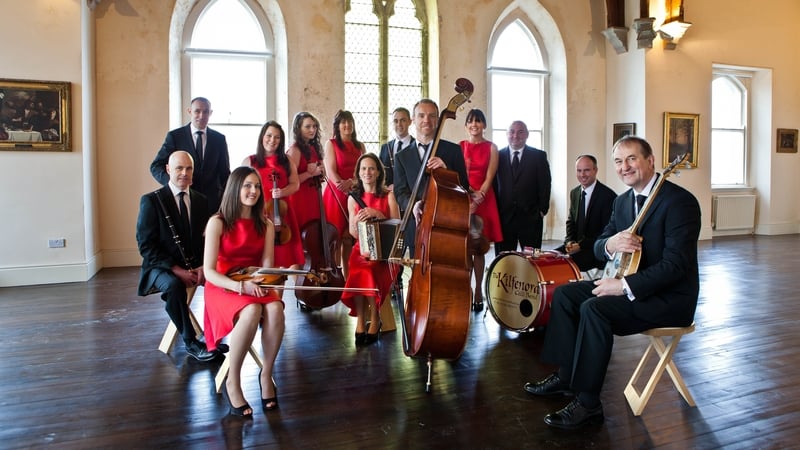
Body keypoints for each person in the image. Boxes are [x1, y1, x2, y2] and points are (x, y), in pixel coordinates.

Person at [523, 136, 701, 430]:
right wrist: (610, 244)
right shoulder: (622, 203)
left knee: (595, 309)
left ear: (650, 160)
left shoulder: (679, 202)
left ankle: (589, 403)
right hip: (630, 286)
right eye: (618, 161)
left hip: (668, 299)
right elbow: (596, 247)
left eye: (631, 159)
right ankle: (567, 377)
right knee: (567, 295)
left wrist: (623, 287)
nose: (624, 167)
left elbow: (676, 266)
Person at [203, 166, 285, 417]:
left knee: (275, 308)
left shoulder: (266, 224)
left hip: (253, 282)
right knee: (251, 311)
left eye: (257, 186)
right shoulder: (217, 222)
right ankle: (233, 381)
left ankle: (266, 374)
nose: (253, 191)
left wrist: (270, 278)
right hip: (223, 285)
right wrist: (240, 286)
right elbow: (209, 271)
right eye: (247, 185)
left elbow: (267, 266)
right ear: (235, 188)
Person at [136, 150, 216, 362]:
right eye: (179, 168)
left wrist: (203, 267)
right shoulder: (151, 201)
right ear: (168, 170)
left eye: (188, 168)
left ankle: (214, 336)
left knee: (221, 282)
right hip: (160, 267)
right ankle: (191, 342)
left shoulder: (201, 200)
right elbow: (146, 246)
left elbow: (205, 241)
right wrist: (177, 270)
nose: (184, 173)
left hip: (194, 266)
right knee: (173, 286)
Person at [393, 99, 469, 258]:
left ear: (438, 120)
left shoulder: (453, 151)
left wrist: (447, 171)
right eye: (421, 116)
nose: (426, 120)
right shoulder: (401, 157)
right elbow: (400, 193)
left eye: (431, 116)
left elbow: (465, 188)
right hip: (417, 227)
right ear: (413, 120)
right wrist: (413, 205)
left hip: (447, 224)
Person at [341, 153, 401, 346]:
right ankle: (360, 320)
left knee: (369, 269)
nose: (367, 172)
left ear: (378, 172)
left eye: (371, 168)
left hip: (384, 253)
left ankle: (375, 319)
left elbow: (398, 224)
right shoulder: (353, 199)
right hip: (362, 249)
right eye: (364, 169)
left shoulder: (388, 195)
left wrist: (378, 214)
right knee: (357, 268)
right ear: (358, 173)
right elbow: (353, 234)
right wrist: (357, 223)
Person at [151, 97, 231, 214]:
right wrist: (175, 183)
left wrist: (225, 200)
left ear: (210, 113)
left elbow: (225, 173)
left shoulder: (219, 139)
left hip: (212, 205)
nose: (202, 115)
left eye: (206, 111)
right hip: (183, 200)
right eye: (197, 111)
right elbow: (156, 166)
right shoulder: (175, 136)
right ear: (189, 112)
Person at [242, 121, 304, 271]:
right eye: (269, 135)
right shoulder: (250, 161)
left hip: (281, 215)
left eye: (277, 137)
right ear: (262, 136)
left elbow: (295, 184)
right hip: (259, 213)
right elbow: (241, 189)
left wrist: (282, 192)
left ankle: (278, 295)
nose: (272, 140)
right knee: (257, 257)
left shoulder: (286, 160)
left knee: (281, 258)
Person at [459, 108, 503, 311]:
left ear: (484, 125)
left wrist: (479, 196)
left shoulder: (492, 147)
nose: (474, 125)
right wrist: (468, 196)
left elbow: (490, 176)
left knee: (479, 247)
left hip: (483, 199)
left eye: (478, 121)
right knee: (464, 246)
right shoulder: (459, 147)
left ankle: (478, 290)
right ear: (466, 125)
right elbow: (457, 175)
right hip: (463, 199)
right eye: (470, 121)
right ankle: (466, 289)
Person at [493, 120, 551, 252]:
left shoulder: (538, 156)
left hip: (531, 218)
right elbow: (494, 185)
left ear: (527, 135)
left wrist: (542, 210)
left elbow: (545, 184)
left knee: (532, 261)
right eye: (512, 132)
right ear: (507, 134)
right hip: (504, 218)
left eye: (520, 132)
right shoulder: (497, 156)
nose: (515, 135)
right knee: (504, 261)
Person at [555, 154, 616, 274]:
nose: (582, 175)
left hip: (593, 248)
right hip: (574, 245)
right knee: (549, 257)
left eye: (587, 170)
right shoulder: (575, 193)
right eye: (579, 170)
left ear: (595, 170)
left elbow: (606, 232)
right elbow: (571, 221)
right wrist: (569, 241)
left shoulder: (608, 196)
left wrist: (581, 245)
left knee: (565, 263)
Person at [322, 110, 365, 278]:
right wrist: (344, 185)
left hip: (354, 195)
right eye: (343, 122)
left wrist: (353, 183)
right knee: (336, 239)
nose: (347, 125)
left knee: (349, 238)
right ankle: (335, 277)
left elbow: (363, 169)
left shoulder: (360, 146)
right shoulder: (331, 144)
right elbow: (331, 171)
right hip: (336, 195)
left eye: (349, 122)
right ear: (338, 126)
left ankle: (348, 279)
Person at [286, 112, 325, 230]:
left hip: (314, 196)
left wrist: (321, 172)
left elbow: (322, 175)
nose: (312, 129)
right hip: (300, 198)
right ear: (299, 128)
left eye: (314, 126)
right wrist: (309, 174)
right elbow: (290, 180)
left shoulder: (314, 148)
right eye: (307, 126)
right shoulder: (295, 150)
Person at [379, 107, 415, 191]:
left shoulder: (417, 146)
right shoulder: (385, 148)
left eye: (403, 120)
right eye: (395, 121)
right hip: (389, 194)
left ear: (410, 122)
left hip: (411, 195)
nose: (399, 124)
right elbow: (380, 173)